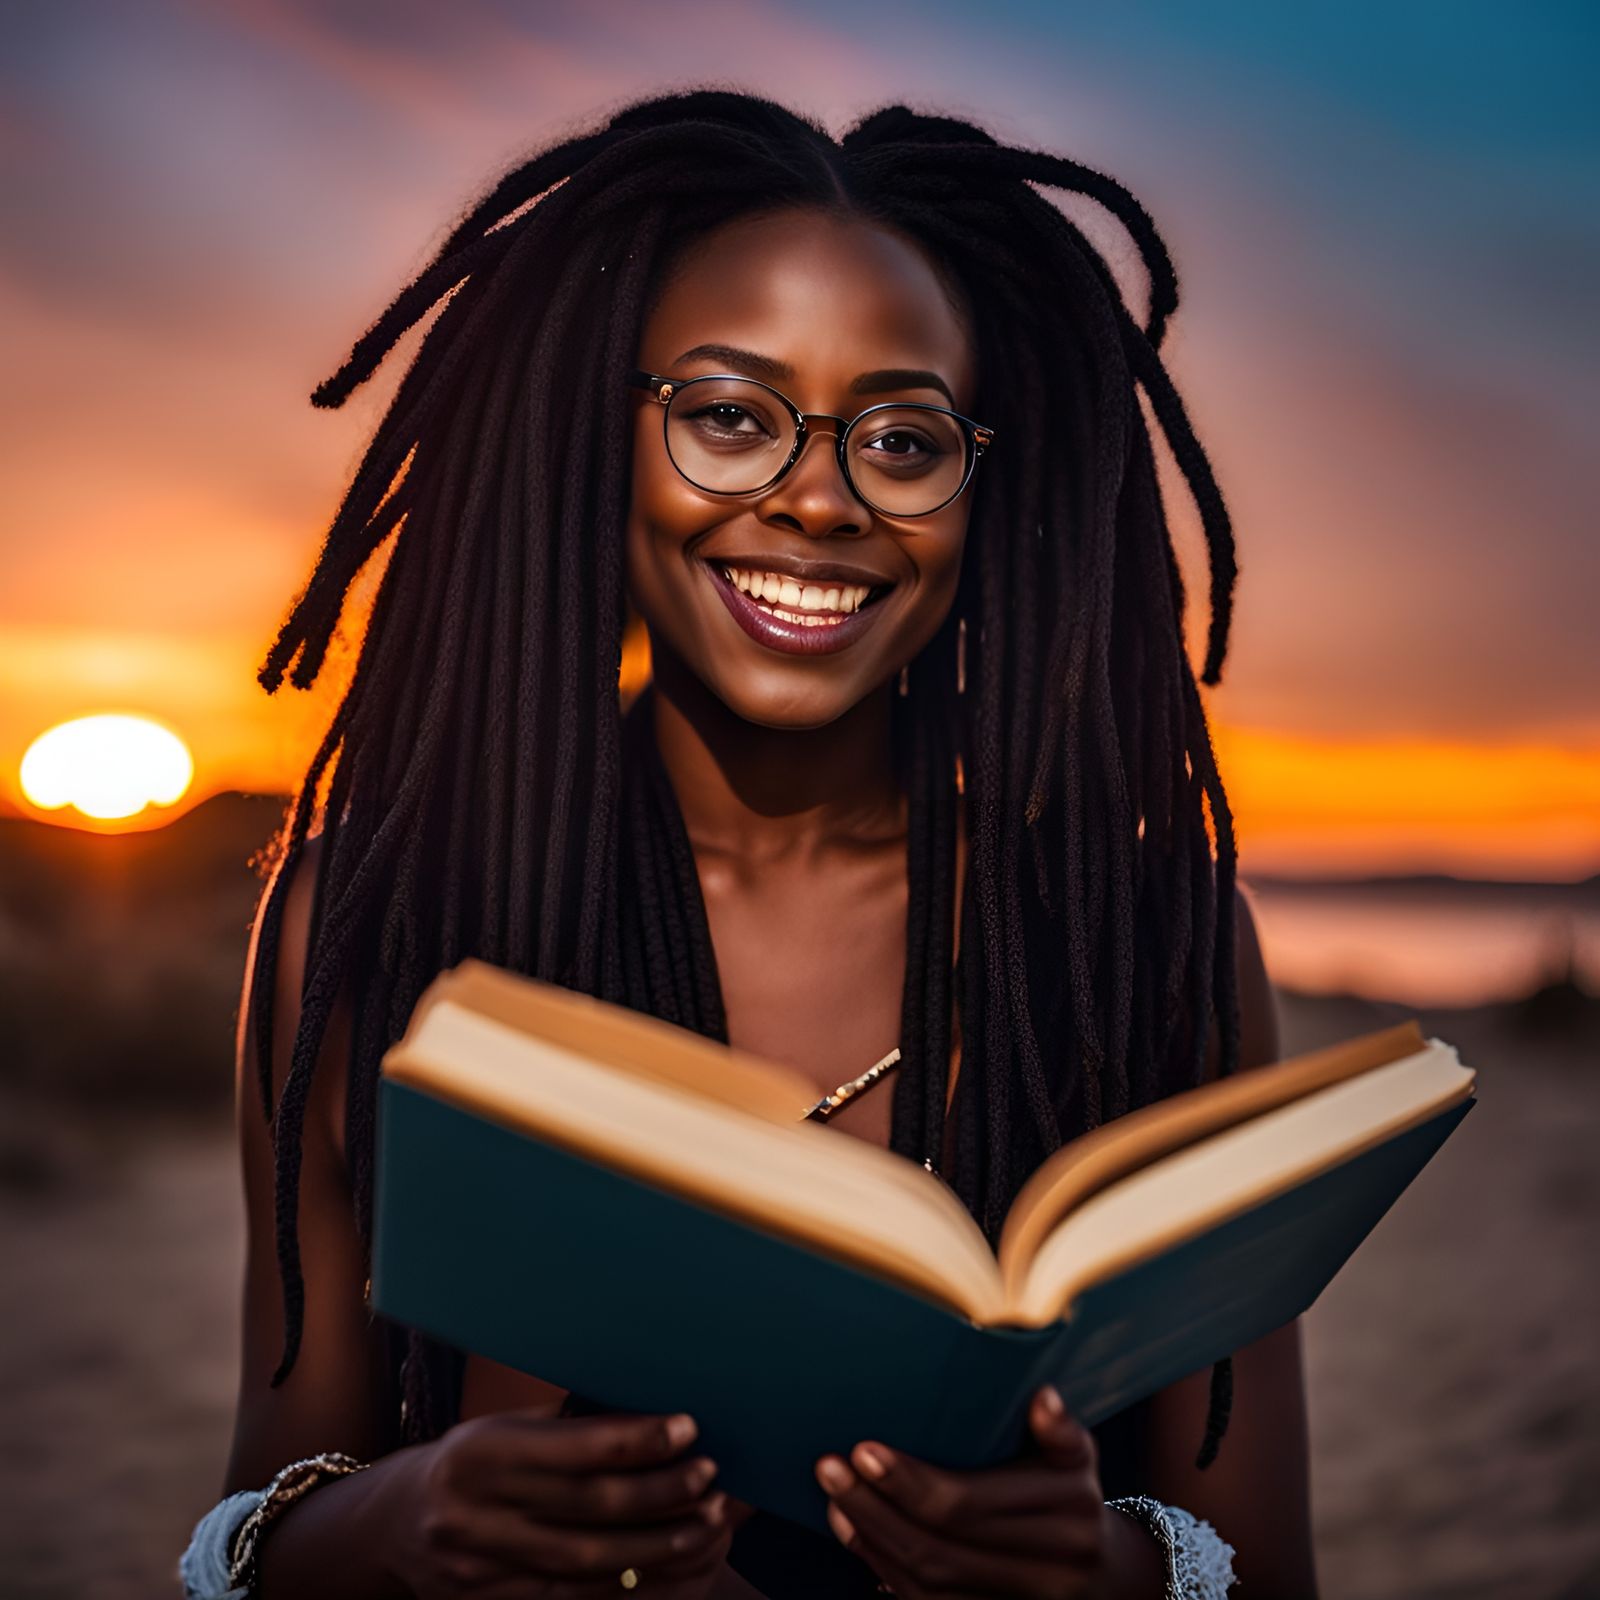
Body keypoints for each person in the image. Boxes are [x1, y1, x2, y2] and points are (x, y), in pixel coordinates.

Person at [180, 88, 1318, 1598]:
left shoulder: (1148, 946)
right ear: (601, 432)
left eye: (905, 439)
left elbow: (1267, 1567)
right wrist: (404, 1524)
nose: (818, 497)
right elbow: (256, 1526)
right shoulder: (372, 922)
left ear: (992, 490)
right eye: (728, 415)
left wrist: (1101, 1571)